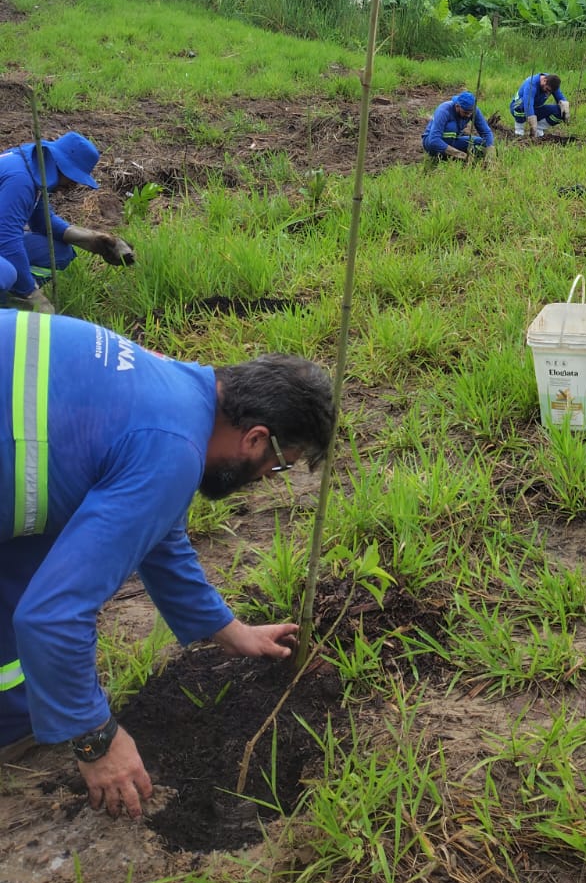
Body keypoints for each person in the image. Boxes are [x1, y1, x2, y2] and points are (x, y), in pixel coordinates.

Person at [0, 311, 335, 818]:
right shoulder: (172, 446)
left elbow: (160, 533)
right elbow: (52, 616)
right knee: (47, 596)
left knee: (28, 559)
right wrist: (97, 740)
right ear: (256, 439)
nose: (269, 477)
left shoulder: (176, 389)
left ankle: (12, 720)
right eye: (279, 464)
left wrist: (229, 630)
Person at [0, 132, 135, 312]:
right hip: (3, 241)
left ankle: (10, 297)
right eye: (74, 178)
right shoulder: (20, 180)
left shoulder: (32, 169)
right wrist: (32, 295)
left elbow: (43, 222)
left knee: (58, 252)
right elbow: (7, 240)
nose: (74, 185)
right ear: (62, 166)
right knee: (6, 273)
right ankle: (8, 301)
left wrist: (93, 239)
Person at [422, 91, 495, 161]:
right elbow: (434, 140)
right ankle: (448, 156)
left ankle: (453, 156)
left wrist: (490, 154)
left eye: (471, 113)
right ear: (457, 106)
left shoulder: (473, 110)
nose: (469, 115)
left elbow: (486, 132)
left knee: (482, 143)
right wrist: (460, 154)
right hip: (432, 144)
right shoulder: (443, 111)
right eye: (466, 113)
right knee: (451, 127)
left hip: (453, 140)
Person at [509, 72, 569, 138]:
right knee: (522, 104)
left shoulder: (552, 83)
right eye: (547, 89)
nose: (548, 93)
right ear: (544, 81)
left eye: (550, 92)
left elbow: (560, 98)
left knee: (560, 111)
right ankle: (519, 131)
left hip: (535, 108)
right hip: (519, 107)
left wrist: (565, 107)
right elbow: (528, 105)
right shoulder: (531, 84)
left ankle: (539, 128)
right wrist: (532, 124)